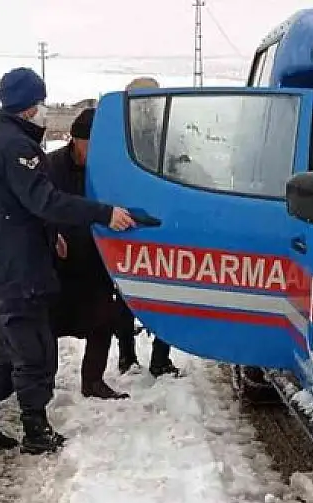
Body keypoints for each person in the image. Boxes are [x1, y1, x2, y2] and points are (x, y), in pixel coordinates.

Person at [0, 67, 137, 455]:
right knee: (33, 350)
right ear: (27, 106)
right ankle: (35, 431)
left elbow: (19, 204)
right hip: (20, 264)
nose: (43, 109)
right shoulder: (17, 146)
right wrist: (103, 213)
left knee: (10, 346)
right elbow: (45, 199)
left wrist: (49, 233)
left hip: (10, 256)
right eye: (39, 102)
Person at [46, 108, 129, 400]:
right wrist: (51, 232)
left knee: (102, 320)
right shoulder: (51, 166)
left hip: (96, 256)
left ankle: (93, 381)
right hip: (60, 258)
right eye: (89, 144)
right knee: (49, 323)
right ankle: (46, 382)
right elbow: (39, 204)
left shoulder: (110, 170)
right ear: (75, 140)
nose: (95, 152)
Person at [114, 77, 181, 378]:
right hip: (127, 225)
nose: (148, 107)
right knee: (125, 292)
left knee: (166, 291)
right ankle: (127, 356)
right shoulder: (119, 136)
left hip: (163, 226)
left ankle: (160, 357)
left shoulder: (169, 134)